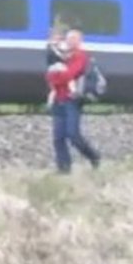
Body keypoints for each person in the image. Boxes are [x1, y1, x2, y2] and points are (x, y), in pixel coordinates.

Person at [45, 29, 100, 174]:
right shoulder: (62, 56)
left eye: (73, 39)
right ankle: (64, 168)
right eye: (68, 39)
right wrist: (58, 77)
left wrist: (58, 77)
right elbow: (49, 76)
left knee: (73, 135)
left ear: (80, 41)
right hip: (58, 99)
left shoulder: (81, 56)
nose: (70, 41)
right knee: (58, 138)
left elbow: (69, 74)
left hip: (72, 100)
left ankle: (94, 156)